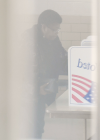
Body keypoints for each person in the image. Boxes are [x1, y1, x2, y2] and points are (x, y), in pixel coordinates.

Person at [21, 9, 68, 138]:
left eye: (58, 30)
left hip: (41, 93)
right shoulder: (26, 41)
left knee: (37, 128)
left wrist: (79, 66)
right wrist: (36, 89)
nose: (56, 33)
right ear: (43, 27)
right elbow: (18, 74)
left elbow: (62, 60)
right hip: (26, 97)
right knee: (29, 129)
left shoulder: (53, 40)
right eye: (54, 30)